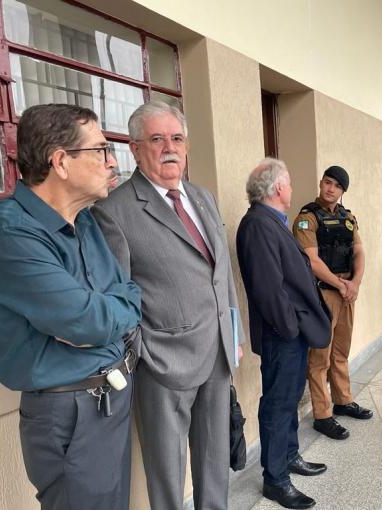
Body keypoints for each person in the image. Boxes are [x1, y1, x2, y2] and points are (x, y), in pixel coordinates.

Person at [0, 104, 142, 509]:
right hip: (71, 410)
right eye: (100, 149)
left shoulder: (85, 220)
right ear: (61, 161)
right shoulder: (8, 233)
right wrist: (104, 317)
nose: (112, 161)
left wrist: (107, 314)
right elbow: (88, 321)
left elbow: (129, 293)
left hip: (109, 395)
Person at [92, 101, 243, 510]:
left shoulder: (202, 197)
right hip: (163, 362)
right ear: (135, 148)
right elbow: (115, 295)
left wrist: (234, 334)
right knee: (166, 473)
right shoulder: (113, 211)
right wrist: (143, 350)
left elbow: (221, 273)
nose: (169, 147)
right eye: (157, 139)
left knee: (214, 463)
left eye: (177, 138)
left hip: (217, 353)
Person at [237, 158, 331, 510]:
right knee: (278, 404)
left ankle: (289, 456)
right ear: (278, 188)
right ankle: (275, 479)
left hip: (290, 332)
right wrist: (291, 328)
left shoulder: (271, 221)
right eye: (289, 182)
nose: (292, 188)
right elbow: (268, 289)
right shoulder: (258, 224)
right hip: (283, 335)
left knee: (289, 398)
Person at [292, 165, 372, 441]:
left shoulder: (348, 218)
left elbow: (359, 252)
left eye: (337, 186)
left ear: (342, 191)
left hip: (347, 292)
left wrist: (355, 283)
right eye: (327, 182)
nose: (331, 189)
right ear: (321, 183)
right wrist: (341, 285)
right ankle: (323, 415)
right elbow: (312, 261)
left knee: (341, 350)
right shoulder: (307, 219)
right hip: (323, 293)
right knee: (319, 357)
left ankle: (343, 400)